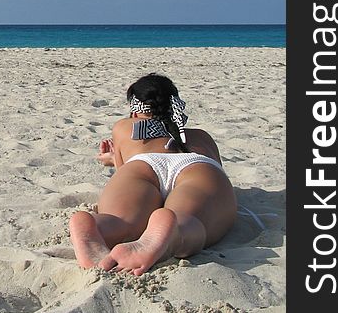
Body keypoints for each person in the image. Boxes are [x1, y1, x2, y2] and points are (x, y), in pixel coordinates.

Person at [69, 73, 237, 275]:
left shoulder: (124, 128)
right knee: (191, 221)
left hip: (142, 165)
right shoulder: (201, 136)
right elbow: (217, 176)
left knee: (123, 220)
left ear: (135, 112)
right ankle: (174, 232)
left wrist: (113, 158)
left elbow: (123, 168)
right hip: (196, 166)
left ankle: (99, 226)